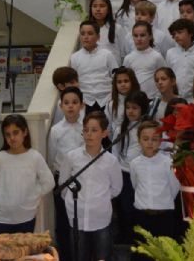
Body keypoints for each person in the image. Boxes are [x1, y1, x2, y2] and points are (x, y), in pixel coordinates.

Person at [59, 111, 123, 261]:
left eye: (94, 130)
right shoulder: (72, 157)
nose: (89, 134)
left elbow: (116, 188)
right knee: (80, 256)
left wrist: (99, 201)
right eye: (86, 130)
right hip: (77, 217)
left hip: (100, 219)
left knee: (102, 256)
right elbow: (63, 184)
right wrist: (71, 201)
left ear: (104, 133)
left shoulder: (111, 161)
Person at [0, 114, 55, 234]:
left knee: (25, 251)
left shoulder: (34, 157)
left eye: (15, 132)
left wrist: (33, 195)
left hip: (26, 216)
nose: (12, 138)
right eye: (8, 134)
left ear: (25, 132)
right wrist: (3, 194)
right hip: (3, 217)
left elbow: (49, 182)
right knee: (4, 251)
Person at [47, 86, 85, 259]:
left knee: (82, 219)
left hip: (83, 178)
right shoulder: (56, 130)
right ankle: (66, 256)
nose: (71, 106)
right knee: (63, 221)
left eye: (75, 102)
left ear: (82, 105)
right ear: (61, 106)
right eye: (67, 103)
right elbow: (52, 156)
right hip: (61, 179)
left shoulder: (86, 127)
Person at [130, 121, 180, 247]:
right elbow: (135, 185)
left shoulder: (168, 162)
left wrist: (162, 201)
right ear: (139, 140)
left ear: (160, 141)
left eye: (154, 139)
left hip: (164, 216)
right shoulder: (135, 163)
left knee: (164, 253)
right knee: (143, 253)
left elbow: (174, 187)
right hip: (142, 215)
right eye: (145, 139)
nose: (150, 143)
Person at [112, 91, 152, 244]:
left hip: (142, 174)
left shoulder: (146, 127)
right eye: (128, 107)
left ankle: (140, 238)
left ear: (143, 109)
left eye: (135, 108)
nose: (130, 111)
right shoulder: (120, 129)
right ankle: (126, 236)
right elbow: (115, 151)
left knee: (139, 207)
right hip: (124, 172)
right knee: (125, 206)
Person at [70, 21, 119, 112]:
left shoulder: (107, 55)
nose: (86, 37)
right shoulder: (74, 57)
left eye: (90, 33)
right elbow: (74, 81)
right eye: (82, 33)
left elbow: (116, 77)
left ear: (98, 37)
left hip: (107, 100)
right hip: (85, 101)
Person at [166, 18, 194, 100]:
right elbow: (169, 75)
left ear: (190, 33)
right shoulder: (170, 53)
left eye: (180, 32)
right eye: (174, 34)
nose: (176, 36)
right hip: (175, 98)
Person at [123, 21, 167, 97]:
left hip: (153, 98)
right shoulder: (128, 58)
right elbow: (125, 79)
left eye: (142, 35)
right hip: (134, 99)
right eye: (135, 36)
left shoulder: (157, 56)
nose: (139, 39)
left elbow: (165, 78)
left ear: (150, 36)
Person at [89, 0, 128, 65]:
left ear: (108, 9)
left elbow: (124, 54)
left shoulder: (117, 28)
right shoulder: (87, 30)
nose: (98, 9)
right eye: (94, 6)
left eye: (102, 6)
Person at [105, 67, 141, 138]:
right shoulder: (111, 104)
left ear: (132, 82)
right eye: (119, 82)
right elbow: (108, 127)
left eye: (126, 81)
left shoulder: (141, 101)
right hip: (118, 142)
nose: (123, 84)